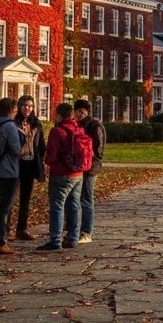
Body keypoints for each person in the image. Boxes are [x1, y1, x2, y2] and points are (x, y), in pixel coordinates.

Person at [37, 103, 88, 251]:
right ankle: (72, 237)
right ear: (71, 115)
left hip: (61, 173)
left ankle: (55, 239)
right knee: (75, 205)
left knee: (57, 206)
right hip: (78, 173)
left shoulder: (57, 131)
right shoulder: (78, 129)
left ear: (59, 115)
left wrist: (47, 163)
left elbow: (51, 156)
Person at [0, 97, 25, 255]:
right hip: (8, 170)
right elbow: (16, 148)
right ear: (11, 110)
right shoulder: (9, 125)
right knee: (4, 207)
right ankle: (1, 241)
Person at [11, 95, 46, 242]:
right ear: (19, 107)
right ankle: (4, 230)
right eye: (25, 105)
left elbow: (41, 144)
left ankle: (22, 229)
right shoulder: (13, 123)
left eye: (30, 106)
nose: (28, 108)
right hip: (16, 163)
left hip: (30, 164)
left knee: (25, 199)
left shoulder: (35, 123)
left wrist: (42, 160)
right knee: (10, 198)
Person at [72, 99, 105, 243]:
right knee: (77, 199)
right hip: (79, 166)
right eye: (78, 111)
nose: (80, 114)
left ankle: (86, 232)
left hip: (91, 167)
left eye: (83, 111)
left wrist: (91, 160)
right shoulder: (77, 124)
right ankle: (76, 229)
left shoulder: (95, 125)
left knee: (86, 198)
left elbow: (99, 149)